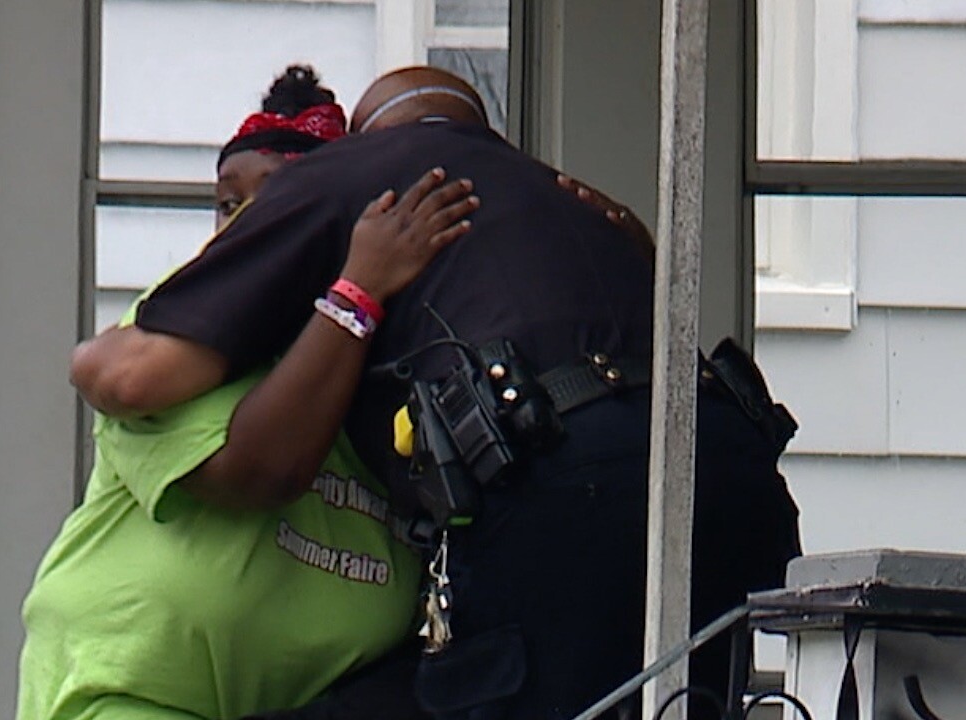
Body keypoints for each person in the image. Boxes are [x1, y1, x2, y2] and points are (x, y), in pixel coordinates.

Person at [73, 65, 802, 719]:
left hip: (566, 488)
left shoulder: (360, 182)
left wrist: (83, 357)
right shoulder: (567, 202)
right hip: (738, 482)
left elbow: (133, 377)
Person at [18, 66, 477, 720]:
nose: (244, 227)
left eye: (279, 203)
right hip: (127, 693)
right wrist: (356, 296)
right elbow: (258, 470)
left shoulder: (408, 359)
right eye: (228, 204)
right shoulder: (178, 333)